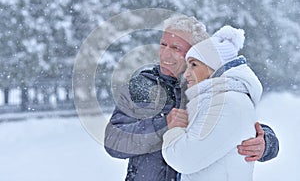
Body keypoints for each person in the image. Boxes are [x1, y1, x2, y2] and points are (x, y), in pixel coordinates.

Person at [104, 16, 279, 181]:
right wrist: (163, 125)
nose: (165, 54)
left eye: (176, 48)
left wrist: (267, 143)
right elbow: (114, 142)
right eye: (163, 44)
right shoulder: (141, 84)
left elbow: (238, 117)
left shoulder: (210, 87)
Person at [162, 25, 262, 180]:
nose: (186, 73)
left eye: (194, 65)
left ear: (215, 67)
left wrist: (174, 130)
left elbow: (183, 159)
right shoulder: (214, 99)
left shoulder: (227, 103)